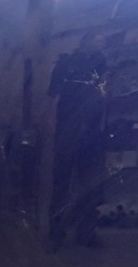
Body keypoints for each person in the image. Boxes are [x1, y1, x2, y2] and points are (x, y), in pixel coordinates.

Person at [46, 31, 108, 250]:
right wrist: (52, 120)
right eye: (97, 41)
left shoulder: (100, 63)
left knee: (90, 183)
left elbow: (103, 93)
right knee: (62, 181)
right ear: (85, 42)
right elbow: (53, 96)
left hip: (91, 130)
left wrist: (101, 124)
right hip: (67, 128)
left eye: (101, 42)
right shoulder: (65, 63)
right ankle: (56, 234)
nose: (100, 45)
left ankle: (86, 233)